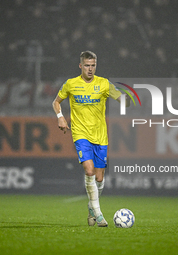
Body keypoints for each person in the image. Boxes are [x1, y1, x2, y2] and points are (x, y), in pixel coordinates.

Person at [52, 51, 131, 227]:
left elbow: (121, 98)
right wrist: (60, 117)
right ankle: (99, 214)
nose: (90, 69)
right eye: (87, 65)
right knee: (89, 171)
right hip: (80, 134)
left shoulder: (103, 83)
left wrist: (127, 100)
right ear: (80, 66)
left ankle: (90, 208)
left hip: (100, 136)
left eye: (93, 65)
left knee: (99, 178)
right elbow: (56, 102)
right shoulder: (71, 84)